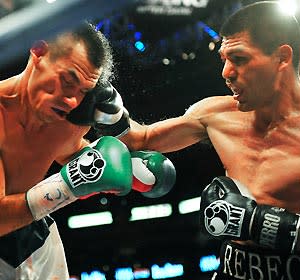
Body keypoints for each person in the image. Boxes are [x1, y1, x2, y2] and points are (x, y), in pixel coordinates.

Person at [119, 1, 300, 279]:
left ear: (282, 58)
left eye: (239, 59)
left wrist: (260, 223)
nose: (226, 73)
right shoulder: (217, 114)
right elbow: (140, 139)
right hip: (229, 271)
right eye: (224, 59)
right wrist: (103, 104)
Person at [0, 21, 176, 279]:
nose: (72, 100)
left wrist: (123, 165)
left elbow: (69, 152)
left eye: (83, 91)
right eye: (67, 81)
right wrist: (68, 186)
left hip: (36, 238)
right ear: (38, 51)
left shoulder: (68, 115)